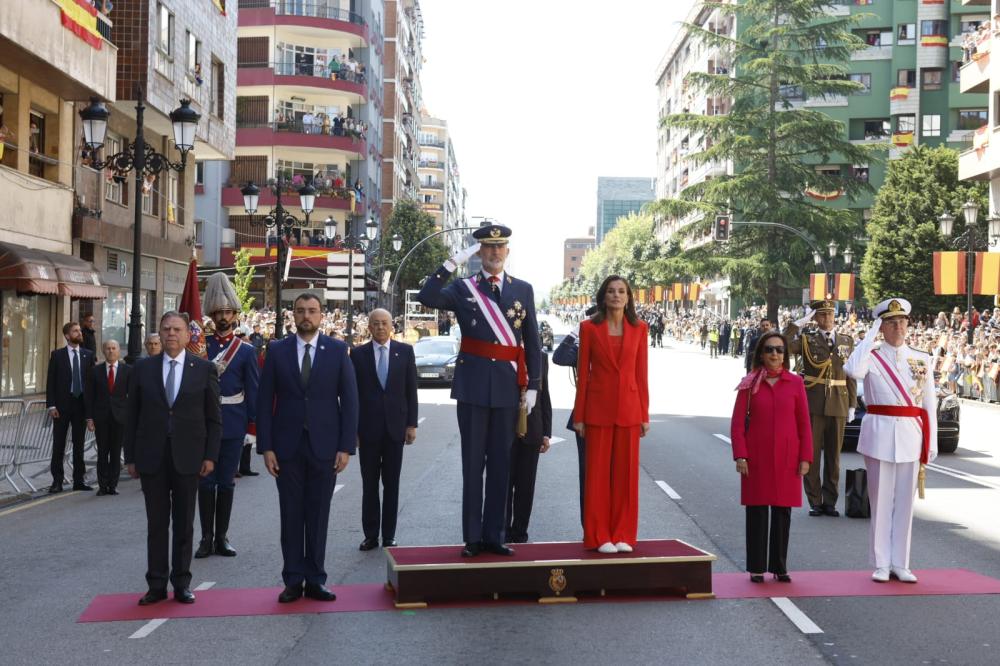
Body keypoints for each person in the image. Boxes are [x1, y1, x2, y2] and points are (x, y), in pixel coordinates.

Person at [417, 223, 542, 557]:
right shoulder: (463, 288)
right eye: (487, 248)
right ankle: (472, 537)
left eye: (500, 247)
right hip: (472, 387)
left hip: (506, 388)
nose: (494, 253)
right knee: (473, 464)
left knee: (502, 464)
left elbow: (532, 342)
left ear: (508, 252)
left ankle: (495, 535)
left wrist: (534, 387)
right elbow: (427, 296)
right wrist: (450, 263)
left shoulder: (523, 290)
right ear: (479, 253)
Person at [256, 293, 359, 603]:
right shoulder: (277, 350)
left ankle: (316, 578)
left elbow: (350, 401)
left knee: (318, 514)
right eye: (300, 311)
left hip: (325, 446)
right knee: (291, 515)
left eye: (312, 311)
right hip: (286, 447)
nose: (306, 316)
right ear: (292, 315)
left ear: (321, 316)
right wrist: (266, 447)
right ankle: (292, 579)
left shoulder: (338, 350)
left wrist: (345, 447)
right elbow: (264, 402)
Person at [124, 311, 221, 606]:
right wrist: (131, 457)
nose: (170, 334)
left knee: (184, 522)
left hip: (189, 457)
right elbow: (132, 416)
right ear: (159, 332)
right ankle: (156, 585)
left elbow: (213, 418)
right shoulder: (143, 369)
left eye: (177, 329)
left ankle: (181, 583)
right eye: (166, 329)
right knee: (156, 524)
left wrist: (210, 456)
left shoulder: (203, 369)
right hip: (152, 457)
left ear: (187, 334)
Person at [844, 298, 937, 583]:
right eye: (891, 322)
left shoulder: (922, 358)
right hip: (880, 432)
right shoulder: (870, 356)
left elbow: (929, 404)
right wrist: (870, 334)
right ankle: (881, 562)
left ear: (908, 324)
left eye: (902, 322)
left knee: (905, 504)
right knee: (881, 500)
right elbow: (852, 370)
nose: (898, 327)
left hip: (910, 433)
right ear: (881, 326)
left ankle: (901, 563)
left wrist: (930, 442)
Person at [573, 276, 650, 553]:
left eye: (621, 291)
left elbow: (642, 374)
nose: (616, 296)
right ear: (603, 297)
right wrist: (579, 415)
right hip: (597, 410)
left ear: (628, 297)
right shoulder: (589, 328)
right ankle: (598, 535)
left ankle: (624, 535)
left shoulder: (640, 328)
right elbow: (584, 376)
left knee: (627, 478)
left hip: (630, 410)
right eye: (611, 291)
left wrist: (644, 414)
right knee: (597, 478)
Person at [730, 331, 813, 583]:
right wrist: (740, 455)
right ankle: (756, 567)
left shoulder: (795, 383)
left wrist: (805, 457)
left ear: (785, 354)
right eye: (769, 349)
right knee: (756, 511)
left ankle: (779, 566)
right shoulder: (749, 383)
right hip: (756, 456)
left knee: (781, 512)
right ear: (761, 354)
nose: (774, 354)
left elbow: (804, 423)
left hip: (788, 456)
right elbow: (736, 424)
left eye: (779, 349)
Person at [195, 274, 260, 559]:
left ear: (235, 314)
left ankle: (222, 536)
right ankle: (205, 538)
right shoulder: (200, 348)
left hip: (233, 422)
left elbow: (253, 391)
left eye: (228, 312)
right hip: (202, 424)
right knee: (205, 482)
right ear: (211, 314)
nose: (223, 317)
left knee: (226, 482)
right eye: (218, 312)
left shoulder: (246, 351)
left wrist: (253, 428)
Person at [784, 299, 857, 517]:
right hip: (813, 403)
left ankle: (830, 501)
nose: (827, 319)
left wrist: (852, 404)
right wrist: (798, 324)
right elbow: (784, 345)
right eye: (822, 315)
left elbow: (850, 374)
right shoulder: (807, 339)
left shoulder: (846, 341)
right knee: (811, 454)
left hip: (839, 402)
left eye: (830, 315)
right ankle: (815, 500)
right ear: (815, 318)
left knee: (834, 458)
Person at [353, 308, 418, 550]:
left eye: (384, 323)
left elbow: (411, 391)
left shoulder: (405, 352)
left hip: (395, 430)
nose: (380, 327)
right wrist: (353, 430)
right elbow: (353, 396)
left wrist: (411, 424)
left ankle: (389, 535)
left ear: (392, 326)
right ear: (368, 327)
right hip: (367, 430)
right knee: (369, 485)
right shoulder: (357, 355)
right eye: (376, 323)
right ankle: (371, 535)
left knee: (392, 484)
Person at [553, 304, 599, 526]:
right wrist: (576, 331)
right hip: (587, 414)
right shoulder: (583, 344)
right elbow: (559, 358)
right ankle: (589, 525)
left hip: (613, 414)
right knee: (588, 475)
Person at [505, 351, 553, 543]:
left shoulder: (539, 357)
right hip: (505, 429)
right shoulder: (505, 351)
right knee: (504, 486)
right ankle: (503, 533)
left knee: (526, 488)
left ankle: (520, 533)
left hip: (532, 430)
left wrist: (546, 432)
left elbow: (545, 394)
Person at [45, 322, 96, 493]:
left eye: (80, 330)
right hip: (62, 406)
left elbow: (91, 384)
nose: (79, 333)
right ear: (67, 335)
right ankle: (57, 481)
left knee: (79, 444)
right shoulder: (57, 355)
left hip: (80, 406)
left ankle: (78, 480)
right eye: (75, 331)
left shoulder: (88, 355)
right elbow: (50, 382)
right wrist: (51, 405)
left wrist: (91, 411)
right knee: (59, 445)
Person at [85, 340, 130, 496]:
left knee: (116, 453)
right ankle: (102, 486)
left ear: (118, 351)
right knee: (102, 453)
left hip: (120, 418)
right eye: (108, 349)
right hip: (101, 417)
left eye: (113, 348)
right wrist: (89, 418)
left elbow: (132, 396)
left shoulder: (127, 370)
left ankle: (113, 485)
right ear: (103, 351)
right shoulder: (95, 371)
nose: (111, 351)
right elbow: (89, 396)